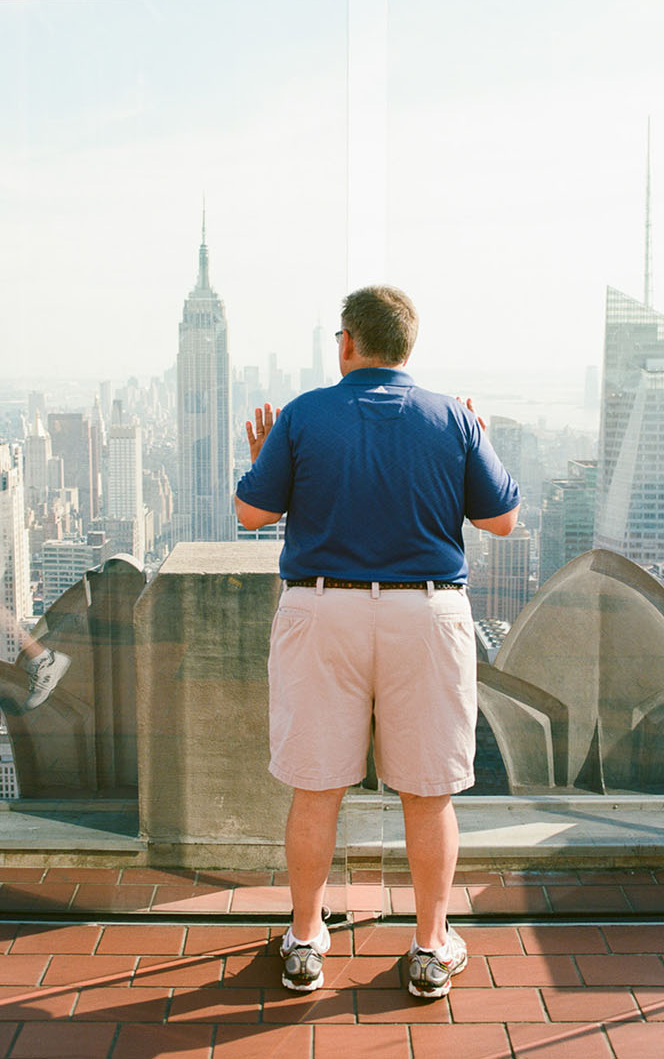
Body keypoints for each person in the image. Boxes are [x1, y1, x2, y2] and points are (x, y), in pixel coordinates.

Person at [233, 284, 520, 998]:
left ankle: (304, 941)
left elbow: (250, 513)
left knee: (316, 789)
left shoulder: (303, 415)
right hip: (424, 615)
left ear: (347, 342)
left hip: (321, 610)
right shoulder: (452, 417)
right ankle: (429, 948)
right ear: (406, 347)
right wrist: (475, 439)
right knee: (427, 795)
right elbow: (503, 521)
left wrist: (268, 456)